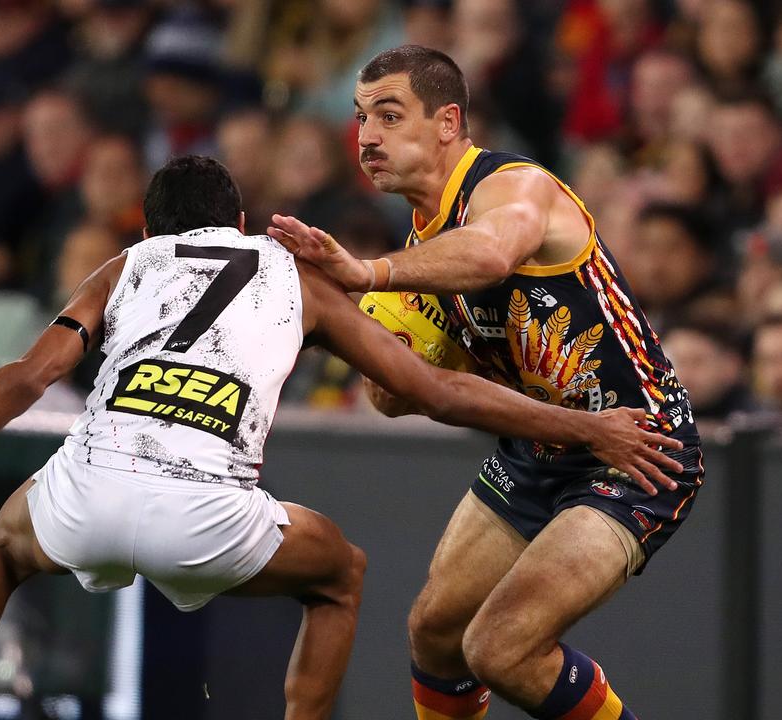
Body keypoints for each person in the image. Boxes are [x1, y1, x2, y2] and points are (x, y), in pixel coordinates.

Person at [0, 156, 683, 720]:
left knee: (4, 547)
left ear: (154, 230)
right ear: (235, 218)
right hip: (206, 513)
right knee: (342, 576)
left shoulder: (127, 265)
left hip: (87, 490)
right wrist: (578, 423)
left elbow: (24, 379)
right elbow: (436, 392)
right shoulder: (296, 276)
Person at [272, 46, 702, 720]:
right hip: (539, 445)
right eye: (360, 119)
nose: (368, 137)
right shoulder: (420, 252)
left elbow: (493, 252)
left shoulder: (512, 185)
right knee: (435, 635)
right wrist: (355, 329)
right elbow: (394, 398)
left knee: (501, 649)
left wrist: (370, 275)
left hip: (636, 446)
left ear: (447, 123)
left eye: (390, 115)